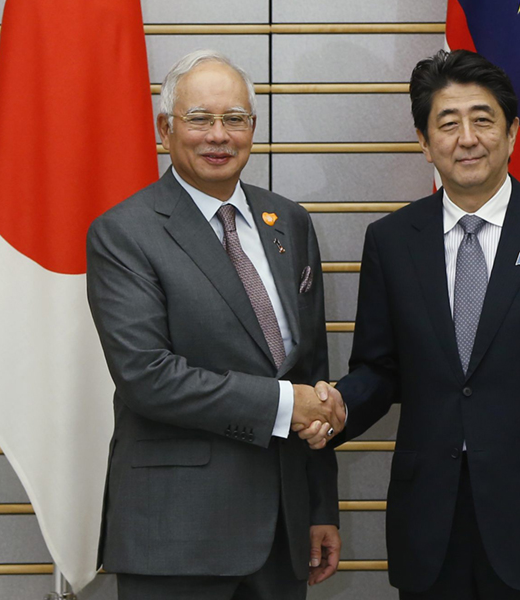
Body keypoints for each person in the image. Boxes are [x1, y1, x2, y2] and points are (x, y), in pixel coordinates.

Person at [300, 49, 520, 599]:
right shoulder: (391, 241)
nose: (467, 138)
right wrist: (338, 406)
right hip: (431, 526)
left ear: (511, 132)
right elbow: (379, 369)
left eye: (483, 120)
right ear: (423, 141)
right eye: (447, 123)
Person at [86, 49, 344, 600]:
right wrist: (283, 405)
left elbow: (311, 373)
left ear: (252, 127)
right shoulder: (125, 232)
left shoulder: (289, 223)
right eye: (200, 118)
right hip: (178, 537)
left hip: (282, 533)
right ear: (165, 129)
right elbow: (147, 376)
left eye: (235, 119)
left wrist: (320, 505)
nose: (218, 135)